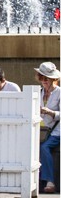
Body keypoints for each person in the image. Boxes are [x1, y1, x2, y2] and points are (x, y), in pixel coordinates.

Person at [35, 62, 60, 194]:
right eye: (42, 77)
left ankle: (50, 181)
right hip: (42, 130)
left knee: (44, 147)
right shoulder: (37, 92)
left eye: (47, 78)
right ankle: (37, 180)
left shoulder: (59, 92)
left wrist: (50, 112)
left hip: (57, 131)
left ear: (53, 79)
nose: (44, 81)